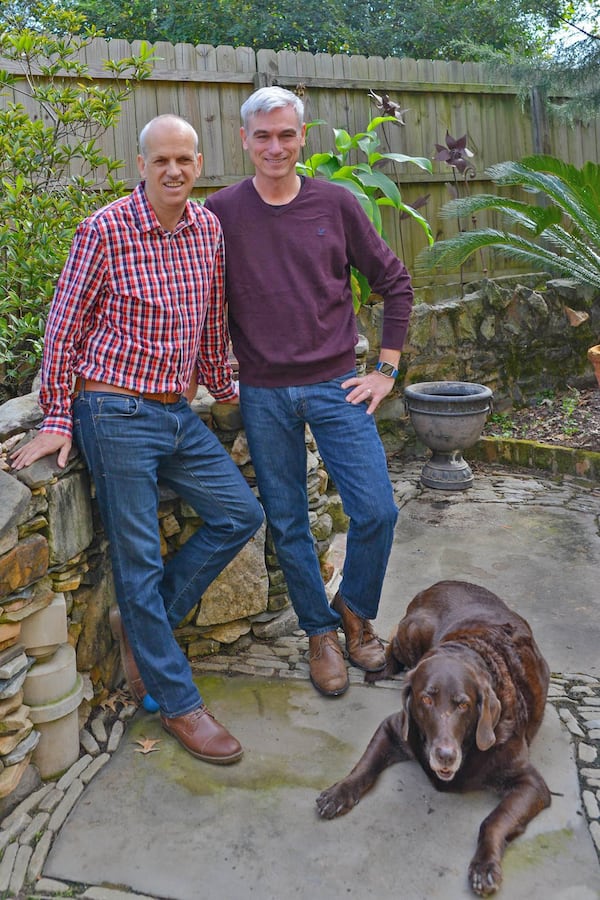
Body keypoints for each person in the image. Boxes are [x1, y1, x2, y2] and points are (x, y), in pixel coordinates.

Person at [11, 114, 264, 764]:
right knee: (138, 561)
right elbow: (63, 333)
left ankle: (141, 627)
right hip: (112, 413)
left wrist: (228, 387)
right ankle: (177, 700)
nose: (174, 170)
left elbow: (210, 322)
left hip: (176, 411)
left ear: (199, 162)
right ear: (142, 165)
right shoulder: (104, 230)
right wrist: (60, 421)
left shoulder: (208, 228)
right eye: (162, 161)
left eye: (185, 159)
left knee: (240, 513)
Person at [204, 86, 414, 698]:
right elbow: (191, 293)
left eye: (286, 135)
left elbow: (394, 283)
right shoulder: (218, 212)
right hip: (262, 391)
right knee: (289, 522)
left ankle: (354, 612)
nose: (275, 146)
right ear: (244, 139)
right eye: (263, 136)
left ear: (303, 138)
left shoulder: (336, 204)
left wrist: (387, 370)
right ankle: (320, 633)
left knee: (377, 509)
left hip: (334, 384)